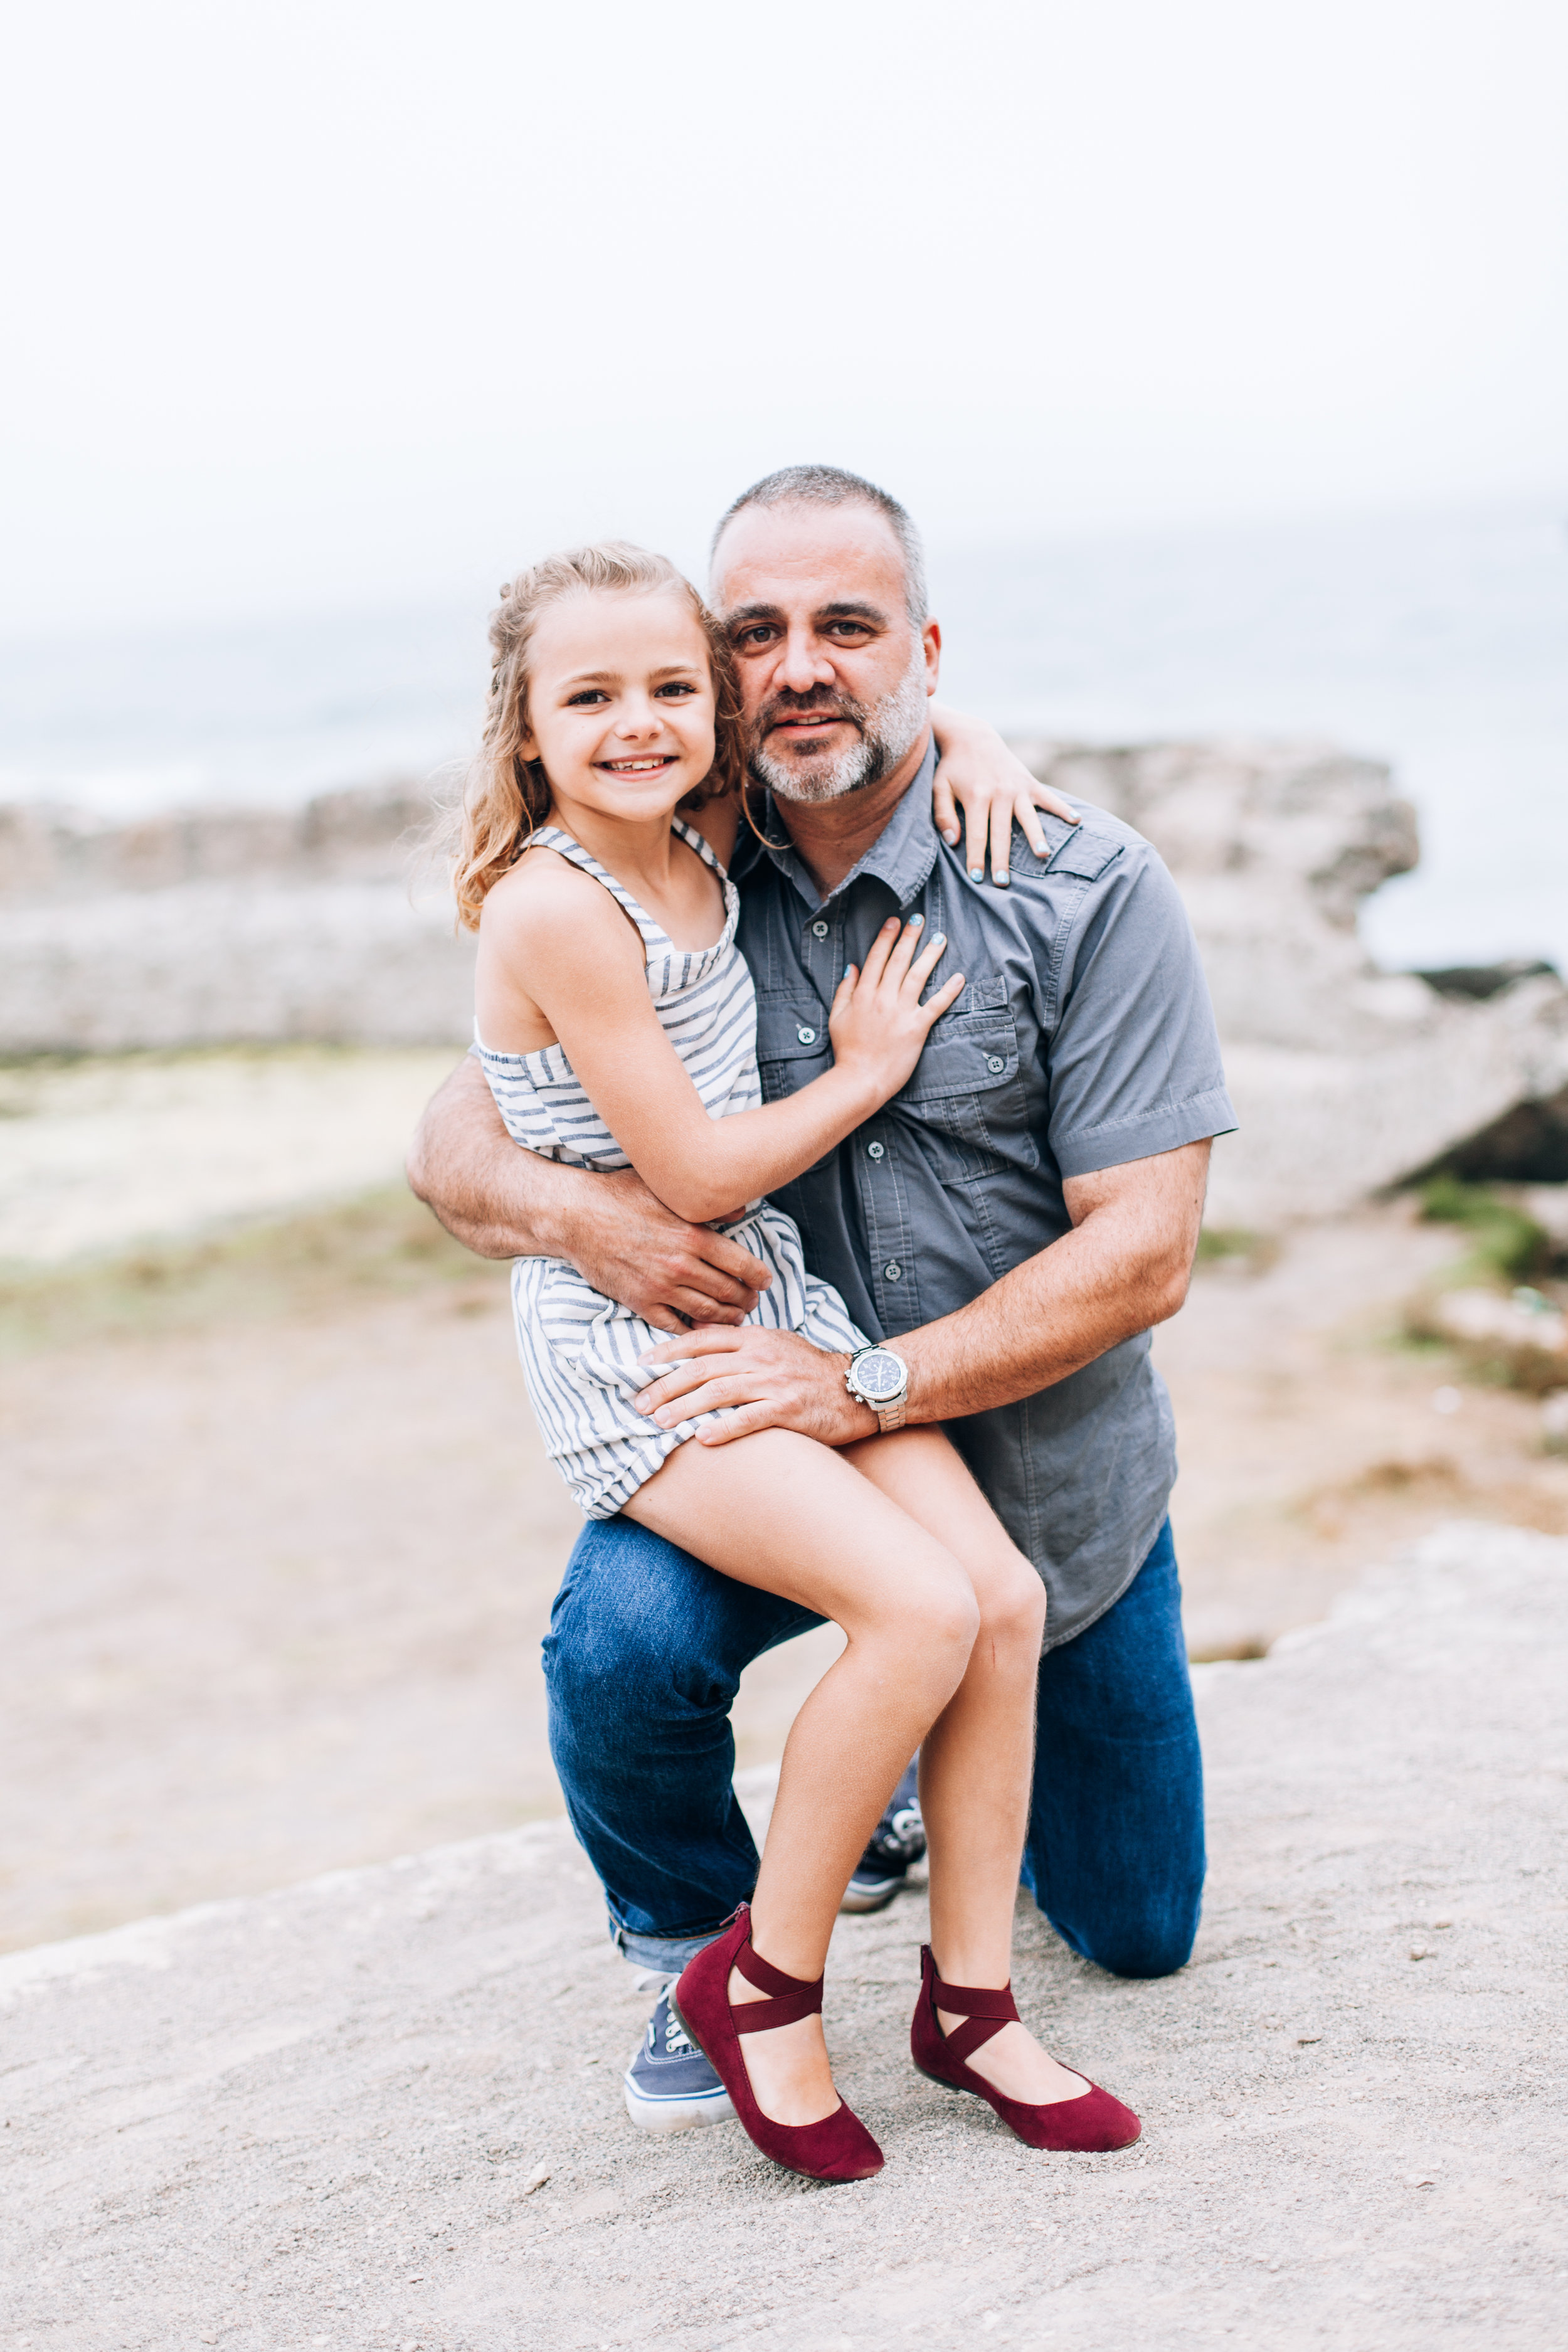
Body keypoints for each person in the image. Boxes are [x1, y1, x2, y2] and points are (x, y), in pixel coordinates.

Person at [408, 464, 1236, 2147]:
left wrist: (969, 753)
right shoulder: (689, 846)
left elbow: (1145, 1256)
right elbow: (455, 1129)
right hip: (740, 1388)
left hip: (1012, 1450)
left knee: (1135, 1925)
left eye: (847, 630)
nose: (797, 670)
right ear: (717, 677)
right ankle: (710, 1958)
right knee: (627, 1644)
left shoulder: (1078, 884)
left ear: (920, 650)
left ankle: (943, 1926)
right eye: (755, 636)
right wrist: (585, 1217)